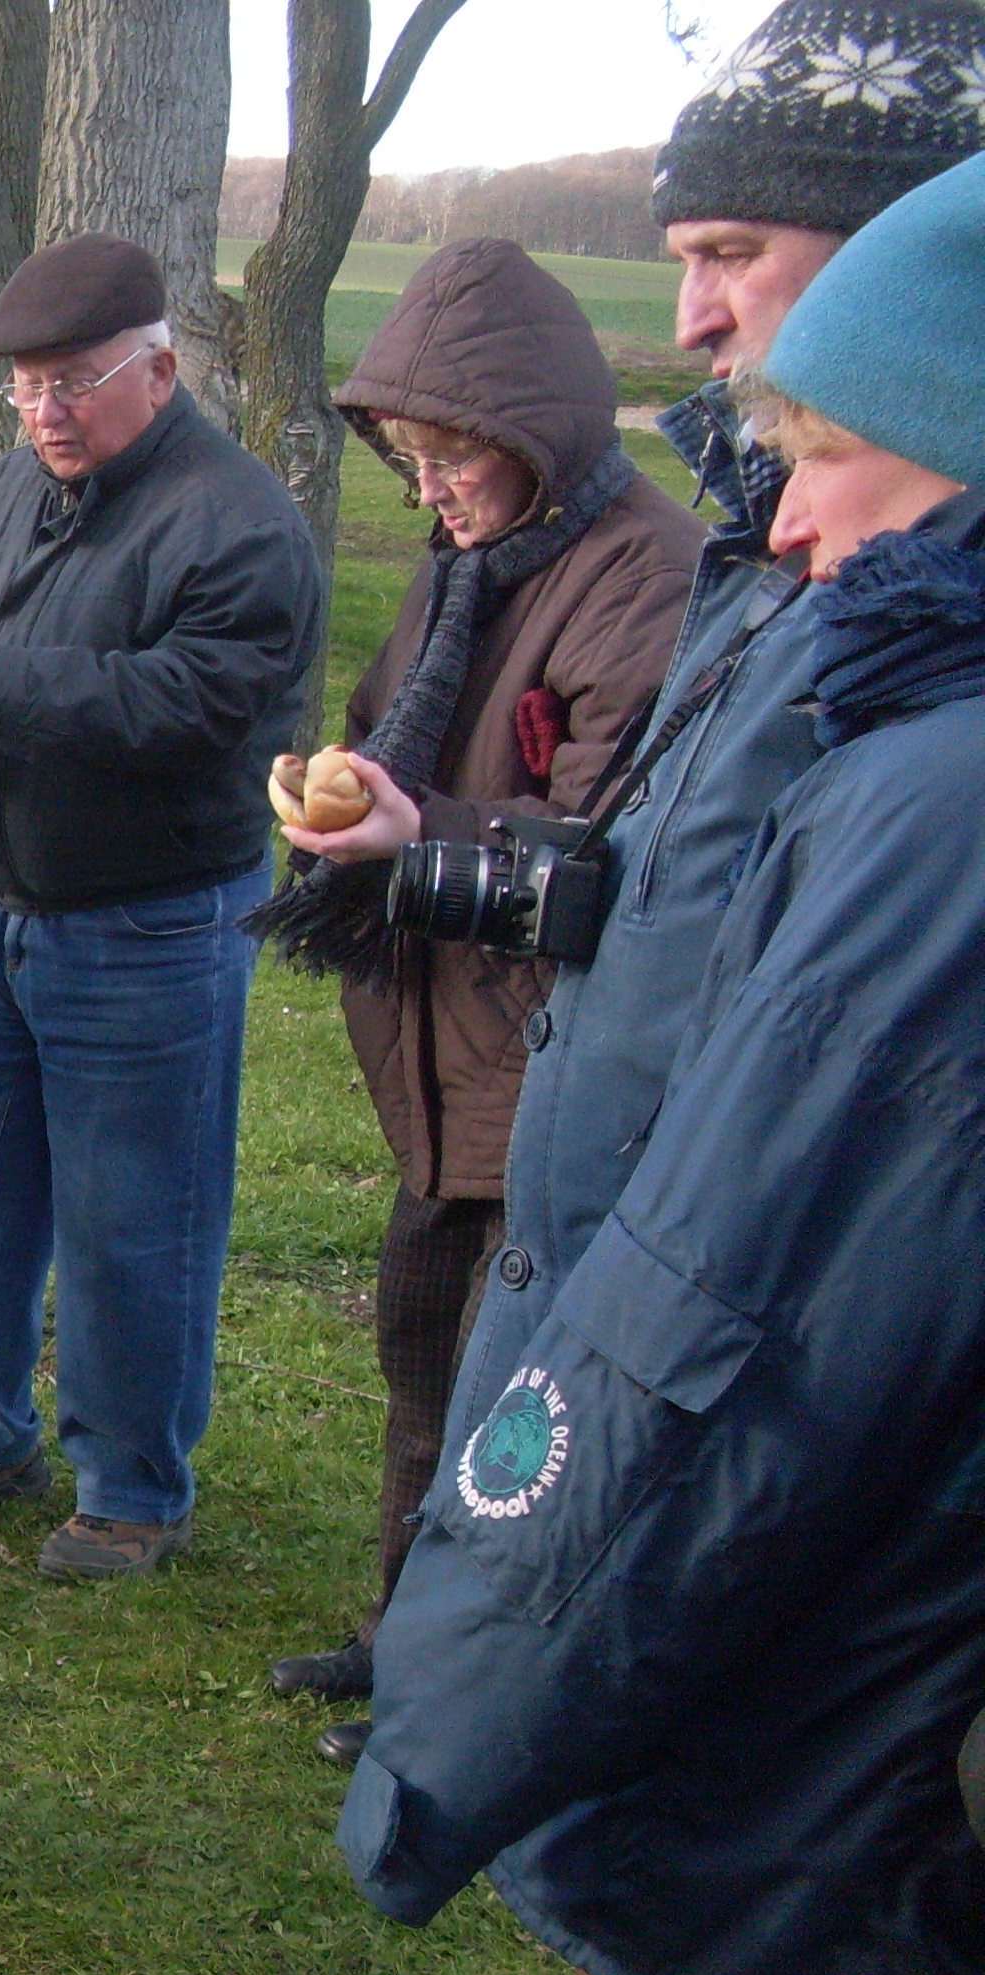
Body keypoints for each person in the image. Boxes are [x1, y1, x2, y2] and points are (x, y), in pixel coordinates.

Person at [309, 0, 985, 1975]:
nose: (690, 311)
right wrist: (467, 870)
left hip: (760, 1489)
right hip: (709, 1391)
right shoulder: (815, 568)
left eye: (734, 250)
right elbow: (672, 897)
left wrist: (528, 1624)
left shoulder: (904, 652)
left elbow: (818, 1215)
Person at [249, 239, 702, 1767]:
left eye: (456, 460)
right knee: (425, 1347)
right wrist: (349, 795)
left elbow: (617, 847)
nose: (432, 491)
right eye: (416, 461)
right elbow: (399, 736)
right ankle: (399, 1641)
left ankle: (475, 1699)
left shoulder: (643, 574)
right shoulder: (476, 565)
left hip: (557, 1058)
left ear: (539, 438)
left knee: (525, 1407)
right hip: (450, 1052)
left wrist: (410, 830)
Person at [0, 234, 323, 1579]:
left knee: (136, 1217)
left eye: (75, 382)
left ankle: (129, 1491)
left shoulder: (239, 521)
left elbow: (201, 706)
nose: (46, 412)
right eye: (26, 387)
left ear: (161, 367)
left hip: (151, 922)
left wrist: (0, 684)